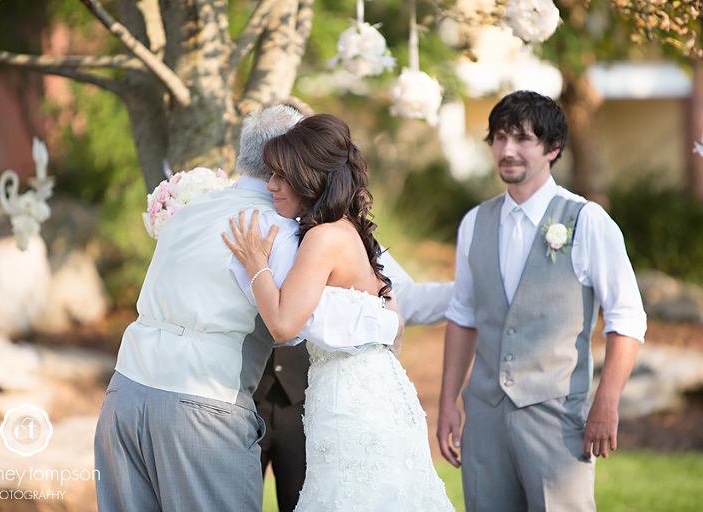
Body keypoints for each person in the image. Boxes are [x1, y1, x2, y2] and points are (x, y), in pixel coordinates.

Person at [94, 105, 404, 512]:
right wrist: (386, 321)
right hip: (199, 407)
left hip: (123, 396)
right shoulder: (277, 230)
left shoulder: (190, 210)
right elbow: (298, 324)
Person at [224, 113, 455, 511]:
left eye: (281, 176)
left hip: (351, 402)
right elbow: (392, 315)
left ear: (309, 178)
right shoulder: (349, 229)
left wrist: (255, 263)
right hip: (369, 389)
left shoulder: (323, 238)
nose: (271, 185)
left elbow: (282, 324)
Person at [436, 90, 647, 512]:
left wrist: (605, 404)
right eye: (498, 137)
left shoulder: (586, 220)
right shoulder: (474, 221)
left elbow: (627, 319)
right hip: (484, 414)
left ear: (552, 148)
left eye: (522, 139)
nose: (507, 150)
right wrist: (447, 403)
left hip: (556, 417)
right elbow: (462, 316)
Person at [255, 251, 455, 512]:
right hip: (244, 397)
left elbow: (403, 295)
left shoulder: (347, 233)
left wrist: (472, 291)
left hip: (308, 404)